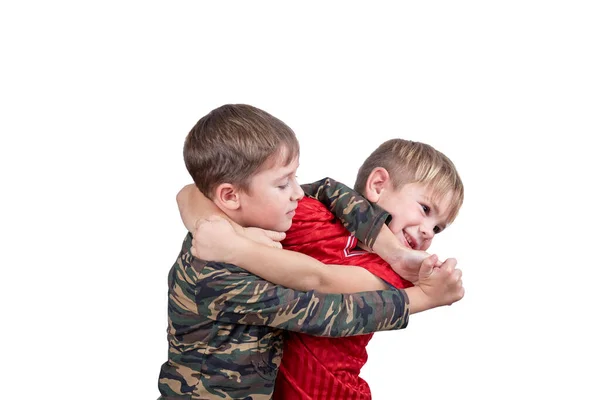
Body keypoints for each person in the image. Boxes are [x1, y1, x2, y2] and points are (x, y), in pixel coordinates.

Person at [159, 104, 463, 399]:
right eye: (425, 210)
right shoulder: (221, 270)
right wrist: (220, 235)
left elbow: (328, 193)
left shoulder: (391, 269)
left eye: (438, 229)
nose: (428, 231)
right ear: (378, 184)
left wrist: (396, 255)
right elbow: (322, 312)